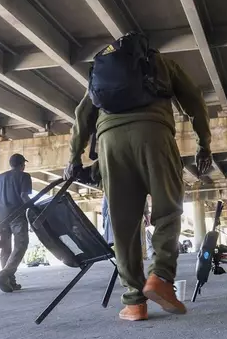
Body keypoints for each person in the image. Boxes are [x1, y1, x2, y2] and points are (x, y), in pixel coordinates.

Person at [65, 50, 212, 321]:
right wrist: (204, 143)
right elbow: (194, 101)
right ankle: (160, 278)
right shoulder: (162, 63)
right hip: (154, 134)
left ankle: (134, 302)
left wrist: (74, 157)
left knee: (124, 225)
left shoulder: (102, 71)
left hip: (111, 143)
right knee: (168, 210)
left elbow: (82, 114)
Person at [0, 153, 32, 293]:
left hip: (1, 217)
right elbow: (24, 196)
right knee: (21, 245)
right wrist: (33, 211)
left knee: (5, 248)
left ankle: (10, 282)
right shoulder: (24, 176)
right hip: (17, 216)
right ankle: (4, 275)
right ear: (22, 165)